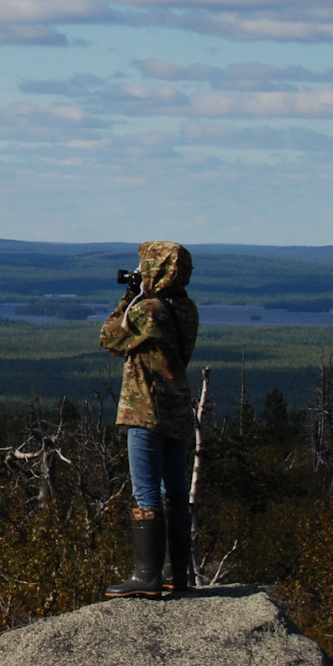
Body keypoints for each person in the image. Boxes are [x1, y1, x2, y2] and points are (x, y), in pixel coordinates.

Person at [100, 241, 200, 599]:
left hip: (145, 409)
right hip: (177, 408)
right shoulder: (186, 307)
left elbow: (109, 338)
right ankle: (177, 574)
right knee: (174, 492)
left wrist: (128, 298)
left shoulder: (149, 309)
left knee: (146, 493)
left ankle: (147, 577)